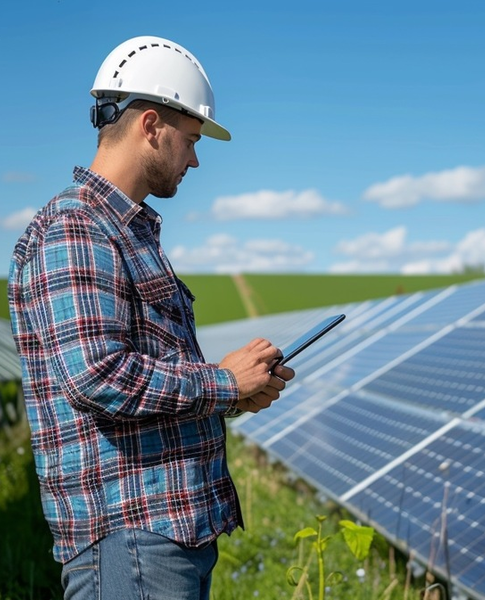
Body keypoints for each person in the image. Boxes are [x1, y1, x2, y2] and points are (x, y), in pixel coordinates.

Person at [7, 35, 294, 599]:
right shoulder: (78, 226)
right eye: (189, 140)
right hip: (133, 542)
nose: (194, 159)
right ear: (149, 125)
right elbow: (98, 376)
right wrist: (223, 381)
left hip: (157, 538)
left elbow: (135, 386)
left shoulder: (122, 231)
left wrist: (231, 397)